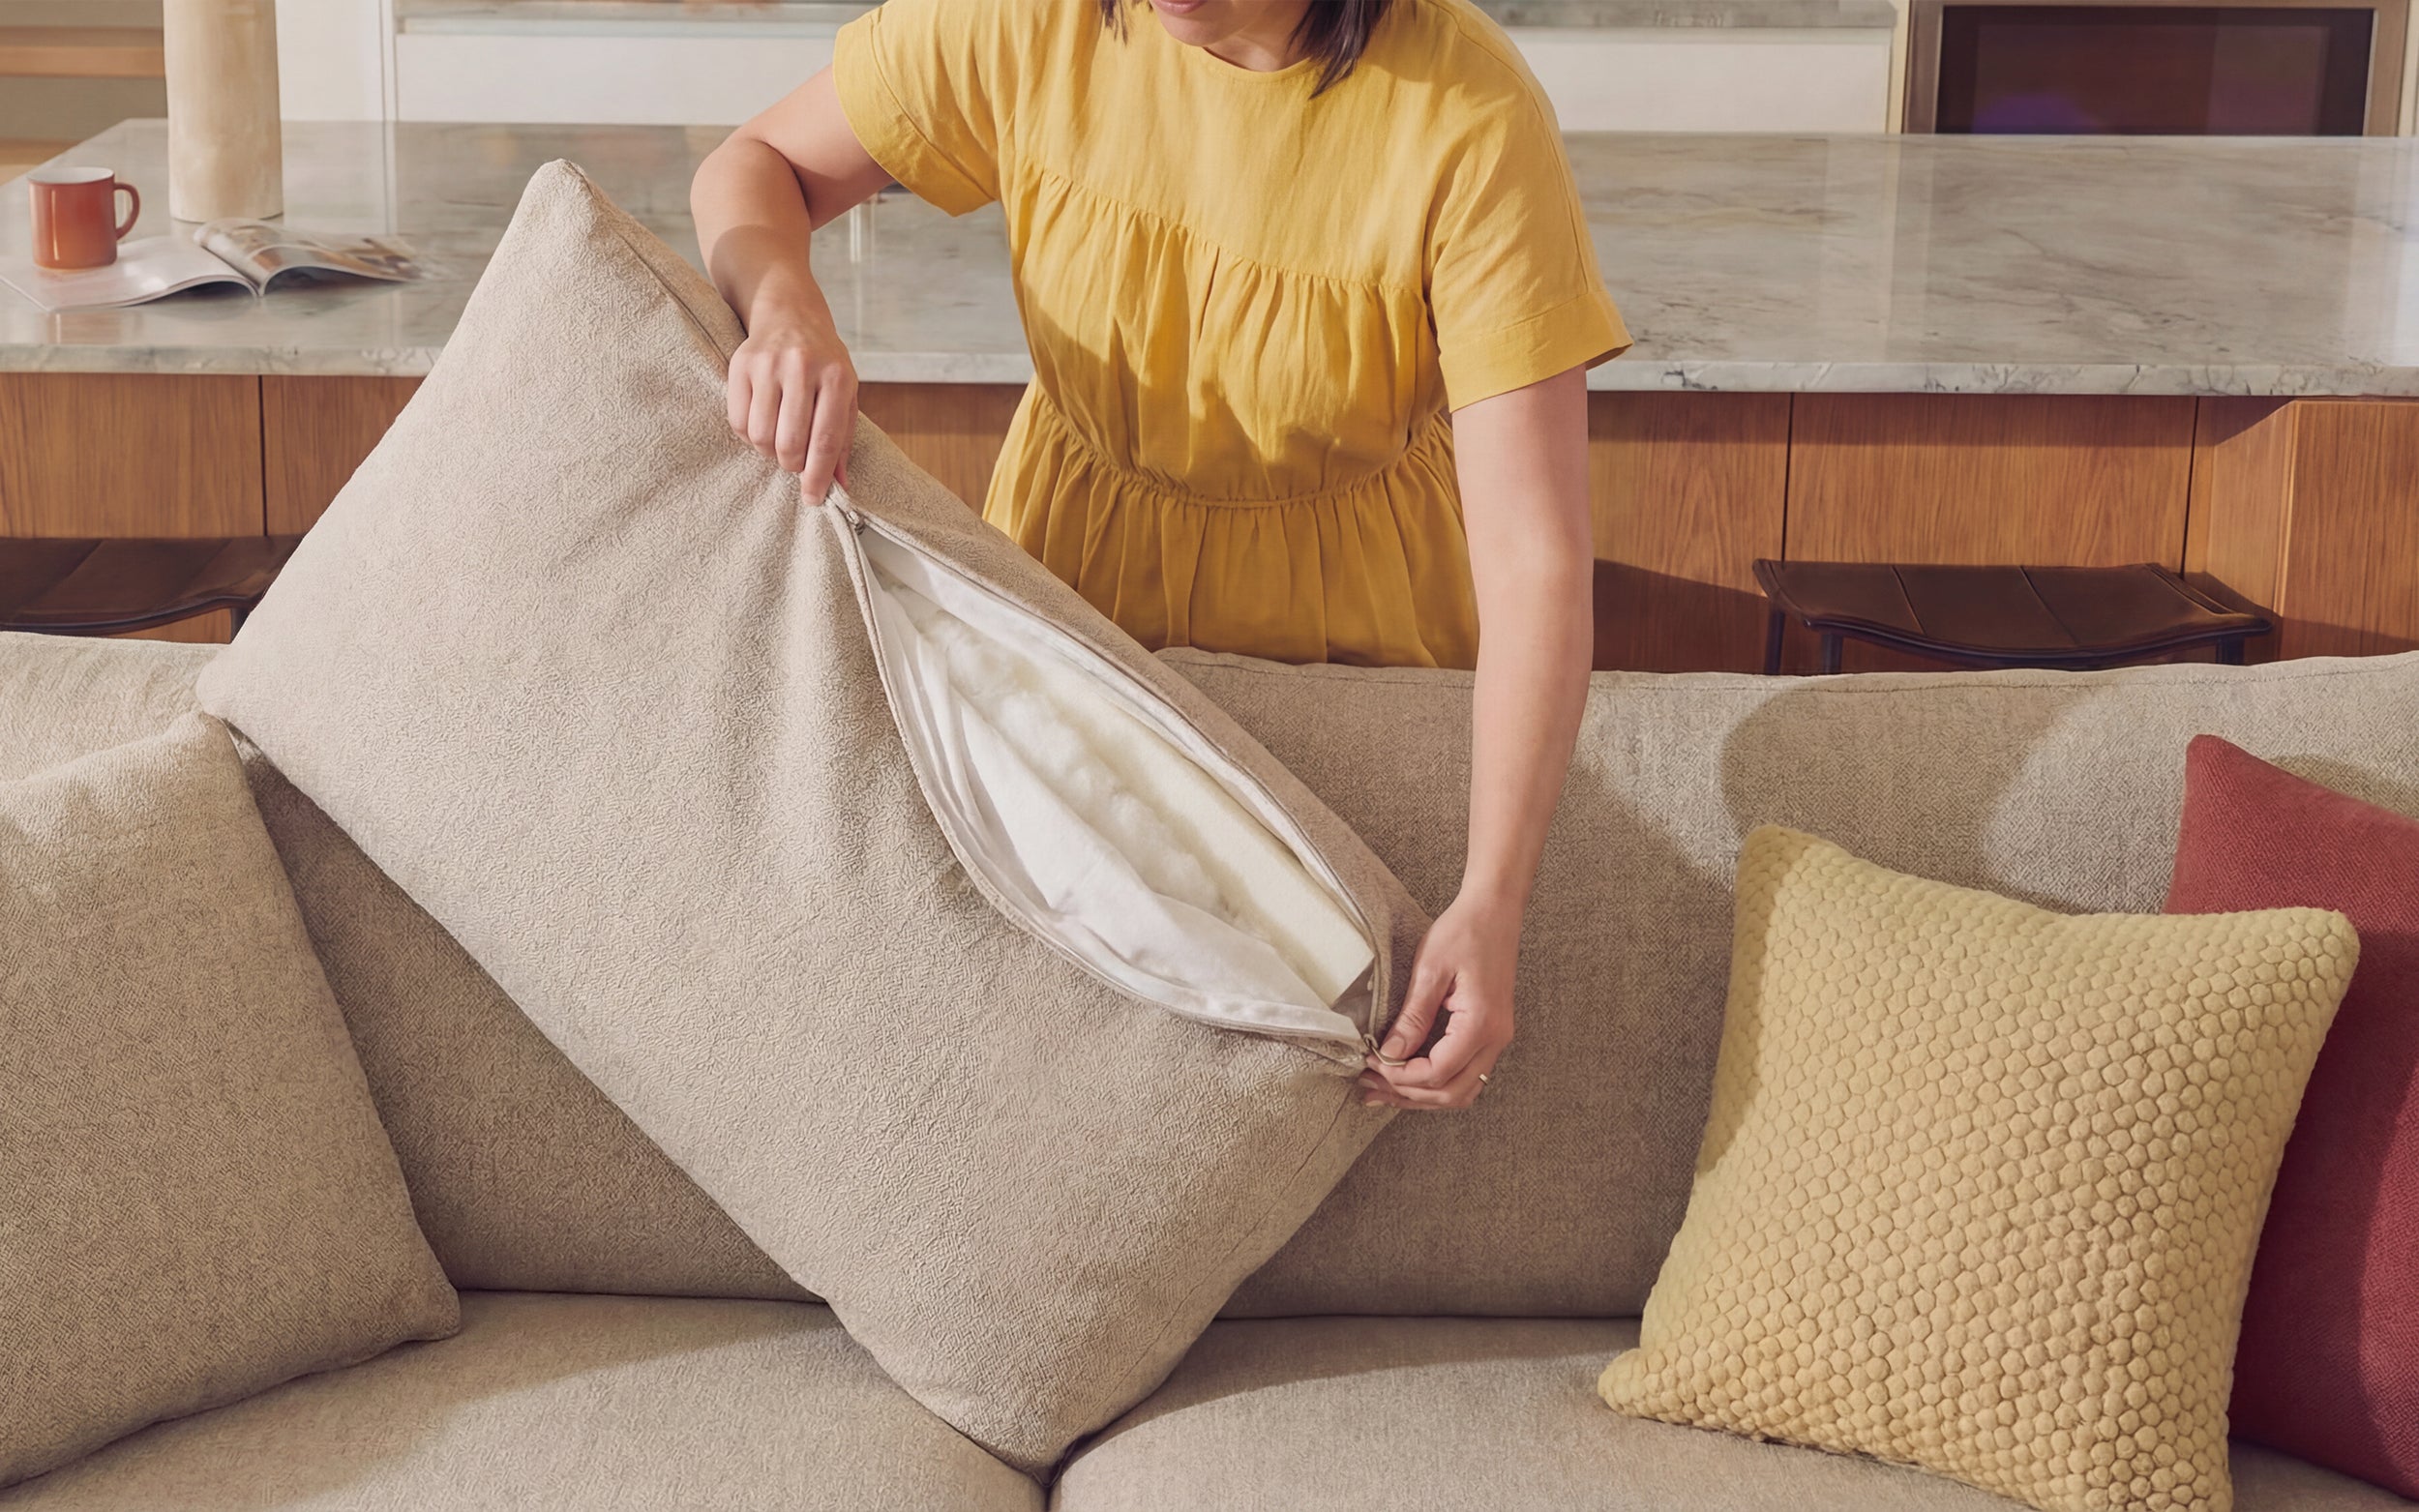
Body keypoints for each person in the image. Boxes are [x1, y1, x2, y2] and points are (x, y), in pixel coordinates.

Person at [692, 0, 1628, 1111]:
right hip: (1069, 609)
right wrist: (784, 307)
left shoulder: (1471, 113)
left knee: (1324, 1059)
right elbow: (755, 165)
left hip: (1355, 643)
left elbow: (1534, 561)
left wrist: (1492, 898)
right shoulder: (1034, 20)